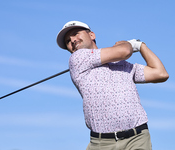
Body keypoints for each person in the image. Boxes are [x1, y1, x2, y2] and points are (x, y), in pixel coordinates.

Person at [56, 21, 169, 150]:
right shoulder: (77, 58)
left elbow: (160, 73)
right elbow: (125, 50)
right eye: (67, 41)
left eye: (76, 34)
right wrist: (127, 44)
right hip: (102, 143)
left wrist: (141, 45)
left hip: (137, 138)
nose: (72, 40)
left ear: (92, 35)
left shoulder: (122, 64)